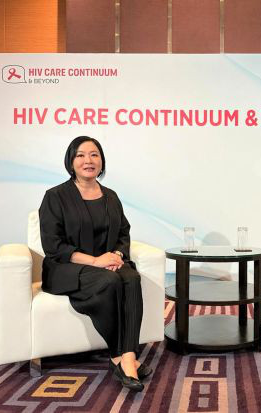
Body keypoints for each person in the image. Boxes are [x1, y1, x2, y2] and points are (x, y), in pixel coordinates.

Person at [39, 136, 151, 392]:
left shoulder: (111, 196)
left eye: (94, 154)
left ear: (101, 161)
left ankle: (127, 358)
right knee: (110, 281)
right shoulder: (55, 196)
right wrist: (96, 261)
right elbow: (53, 246)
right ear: (71, 161)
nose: (88, 160)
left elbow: (123, 233)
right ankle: (121, 356)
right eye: (80, 155)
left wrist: (117, 256)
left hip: (106, 263)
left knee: (131, 277)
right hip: (67, 267)